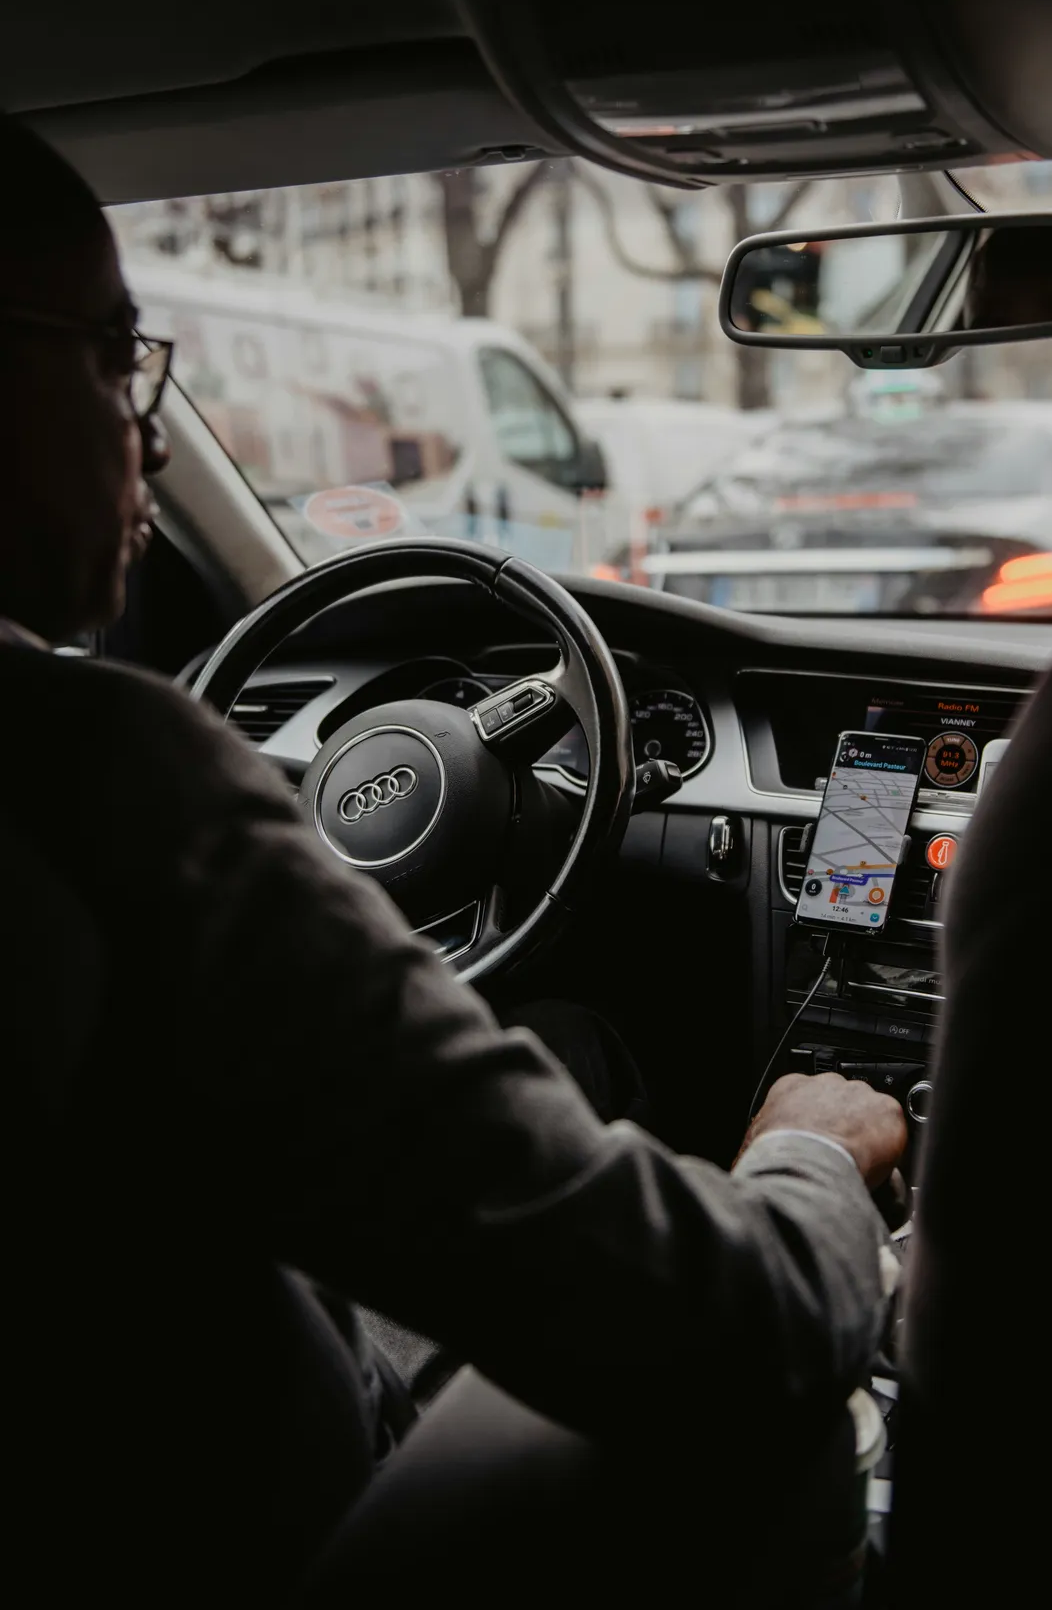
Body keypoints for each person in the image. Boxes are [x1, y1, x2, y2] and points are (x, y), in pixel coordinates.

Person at [0, 119, 907, 1602]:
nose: (149, 428)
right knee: (776, 1408)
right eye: (114, 354)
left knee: (573, 1049)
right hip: (265, 1521)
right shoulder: (100, 776)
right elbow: (709, 1322)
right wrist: (812, 1158)